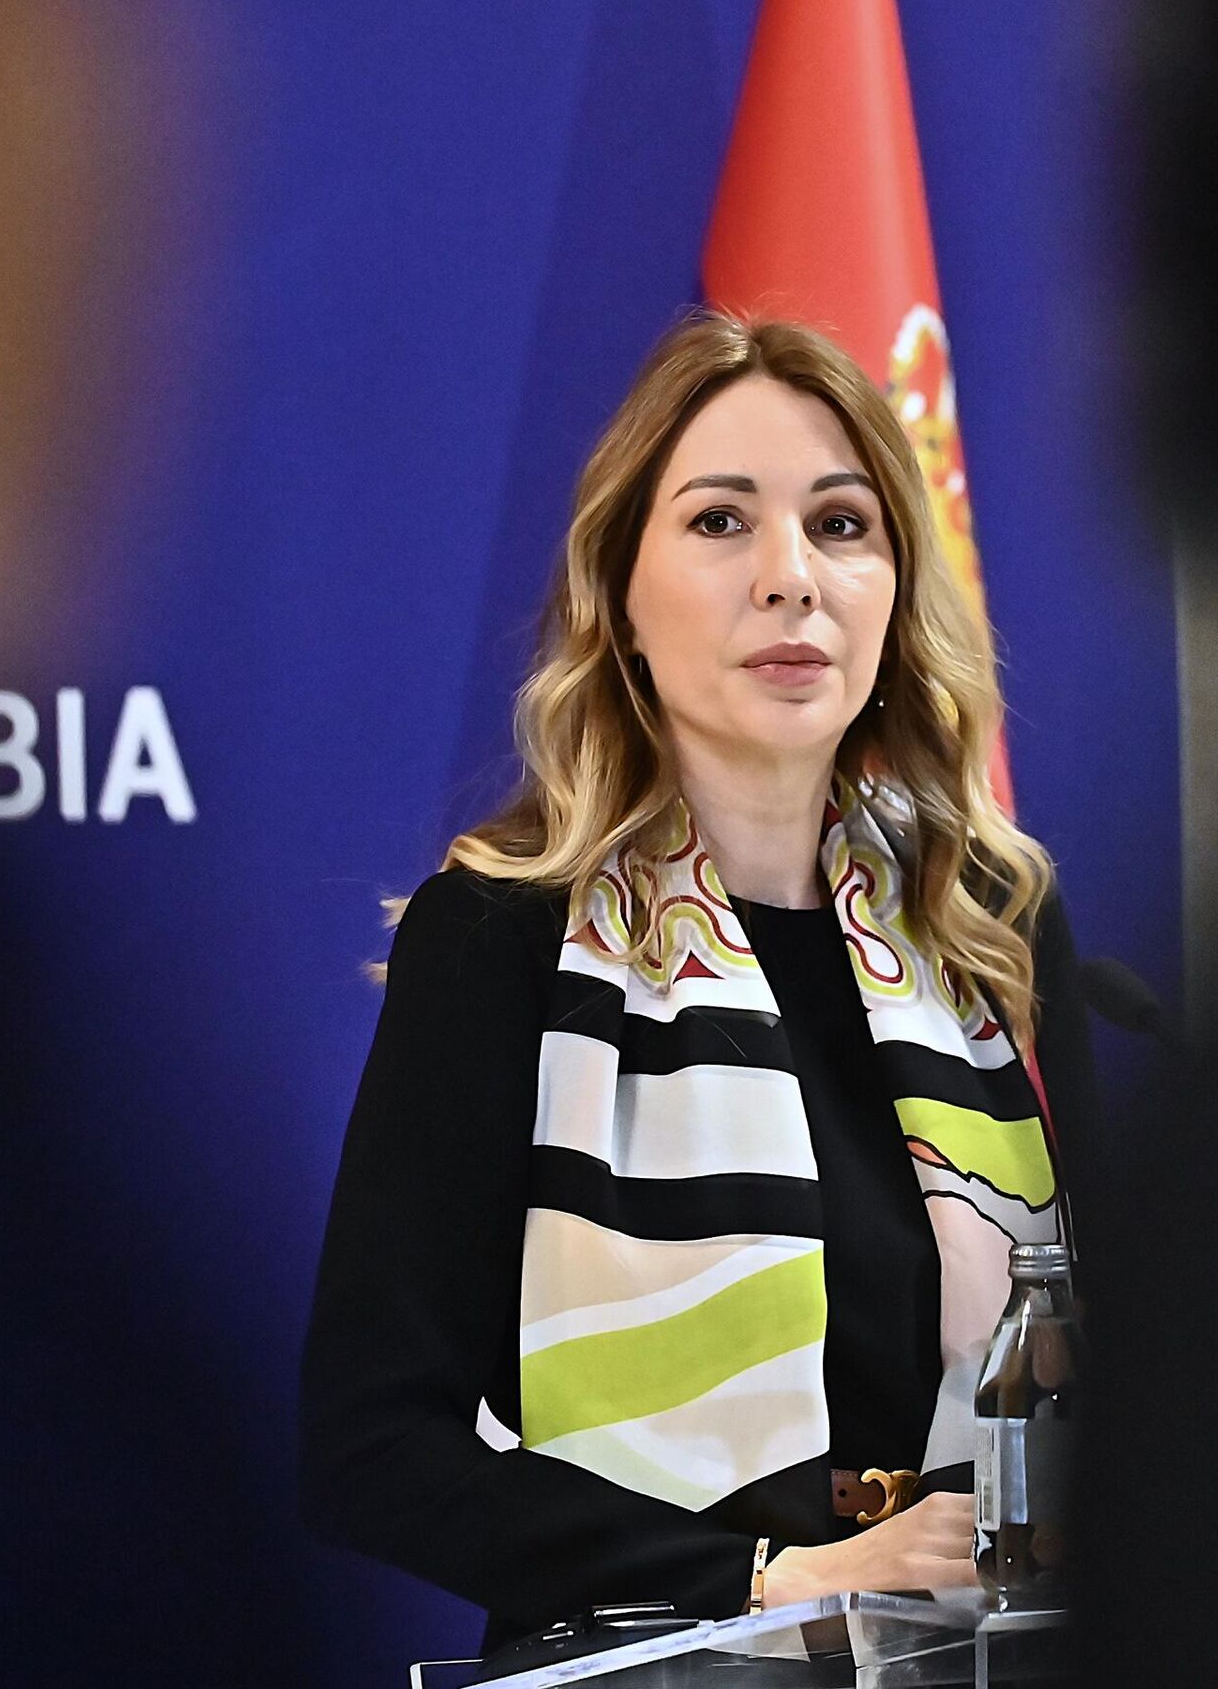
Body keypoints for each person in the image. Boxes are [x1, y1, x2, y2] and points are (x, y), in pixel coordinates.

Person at [300, 313, 1101, 1652]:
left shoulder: (992, 925)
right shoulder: (502, 940)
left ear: (898, 590)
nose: (791, 578)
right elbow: (370, 1450)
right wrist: (762, 1577)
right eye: (721, 522)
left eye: (841, 526)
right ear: (619, 599)